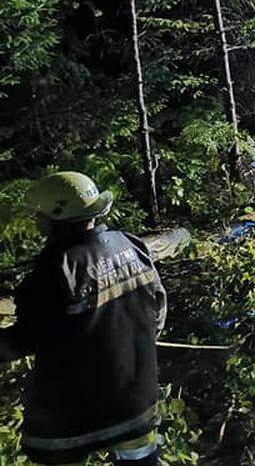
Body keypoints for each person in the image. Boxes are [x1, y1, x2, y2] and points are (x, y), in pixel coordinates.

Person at [0, 172, 167, 465]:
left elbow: (24, 340)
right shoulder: (131, 245)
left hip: (71, 421)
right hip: (137, 403)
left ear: (54, 217)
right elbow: (158, 311)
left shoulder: (51, 274)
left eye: (40, 214)